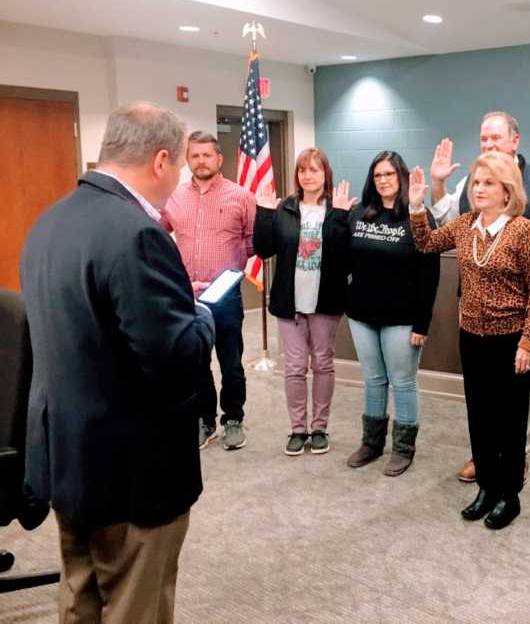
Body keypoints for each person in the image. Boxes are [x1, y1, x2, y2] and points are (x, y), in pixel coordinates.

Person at [19, 102, 216, 623]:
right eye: (176, 167)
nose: (175, 180)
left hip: (70, 457)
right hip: (133, 476)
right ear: (160, 161)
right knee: (135, 607)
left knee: (79, 599)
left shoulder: (49, 221)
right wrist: (203, 317)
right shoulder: (137, 235)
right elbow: (175, 359)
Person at [410, 151, 530, 530]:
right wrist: (417, 205)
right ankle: (487, 487)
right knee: (480, 416)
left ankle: (509, 495)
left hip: (511, 343)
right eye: (476, 182)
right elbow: (425, 243)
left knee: (510, 420)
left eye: (489, 183)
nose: (480, 189)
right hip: (471, 337)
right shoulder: (465, 224)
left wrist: (529, 343)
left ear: (508, 191)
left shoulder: (521, 230)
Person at [430, 111, 530, 483]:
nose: (488, 144)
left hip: (518, 315)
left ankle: (517, 459)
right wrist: (436, 186)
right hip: (474, 313)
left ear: (515, 140)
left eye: (495, 138)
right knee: (482, 399)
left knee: (516, 399)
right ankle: (486, 460)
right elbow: (442, 225)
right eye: (483, 138)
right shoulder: (473, 182)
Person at [342, 151, 440, 476]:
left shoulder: (418, 216)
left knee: (402, 382)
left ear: (401, 177)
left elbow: (430, 274)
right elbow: (343, 259)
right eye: (378, 175)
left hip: (403, 317)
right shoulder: (358, 214)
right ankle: (371, 443)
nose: (383, 180)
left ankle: (402, 448)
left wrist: (422, 322)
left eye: (389, 174)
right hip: (362, 314)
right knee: (372, 380)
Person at [161, 131, 256, 451]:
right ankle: (206, 420)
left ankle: (233, 419)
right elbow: (159, 237)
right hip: (188, 296)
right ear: (187, 160)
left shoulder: (241, 196)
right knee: (196, 363)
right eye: (195, 155)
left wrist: (233, 267)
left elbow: (252, 239)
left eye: (207, 155)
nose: (201, 161)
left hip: (225, 296)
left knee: (231, 362)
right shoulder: (174, 198)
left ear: (219, 159)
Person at [254, 148, 352, 456]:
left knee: (323, 363)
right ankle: (298, 429)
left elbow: (344, 258)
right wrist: (264, 213)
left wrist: (339, 216)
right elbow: (263, 250)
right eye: (302, 170)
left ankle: (319, 427)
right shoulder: (284, 208)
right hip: (290, 302)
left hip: (325, 301)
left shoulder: (336, 208)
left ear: (326, 174)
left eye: (314, 170)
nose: (307, 176)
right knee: (295, 367)